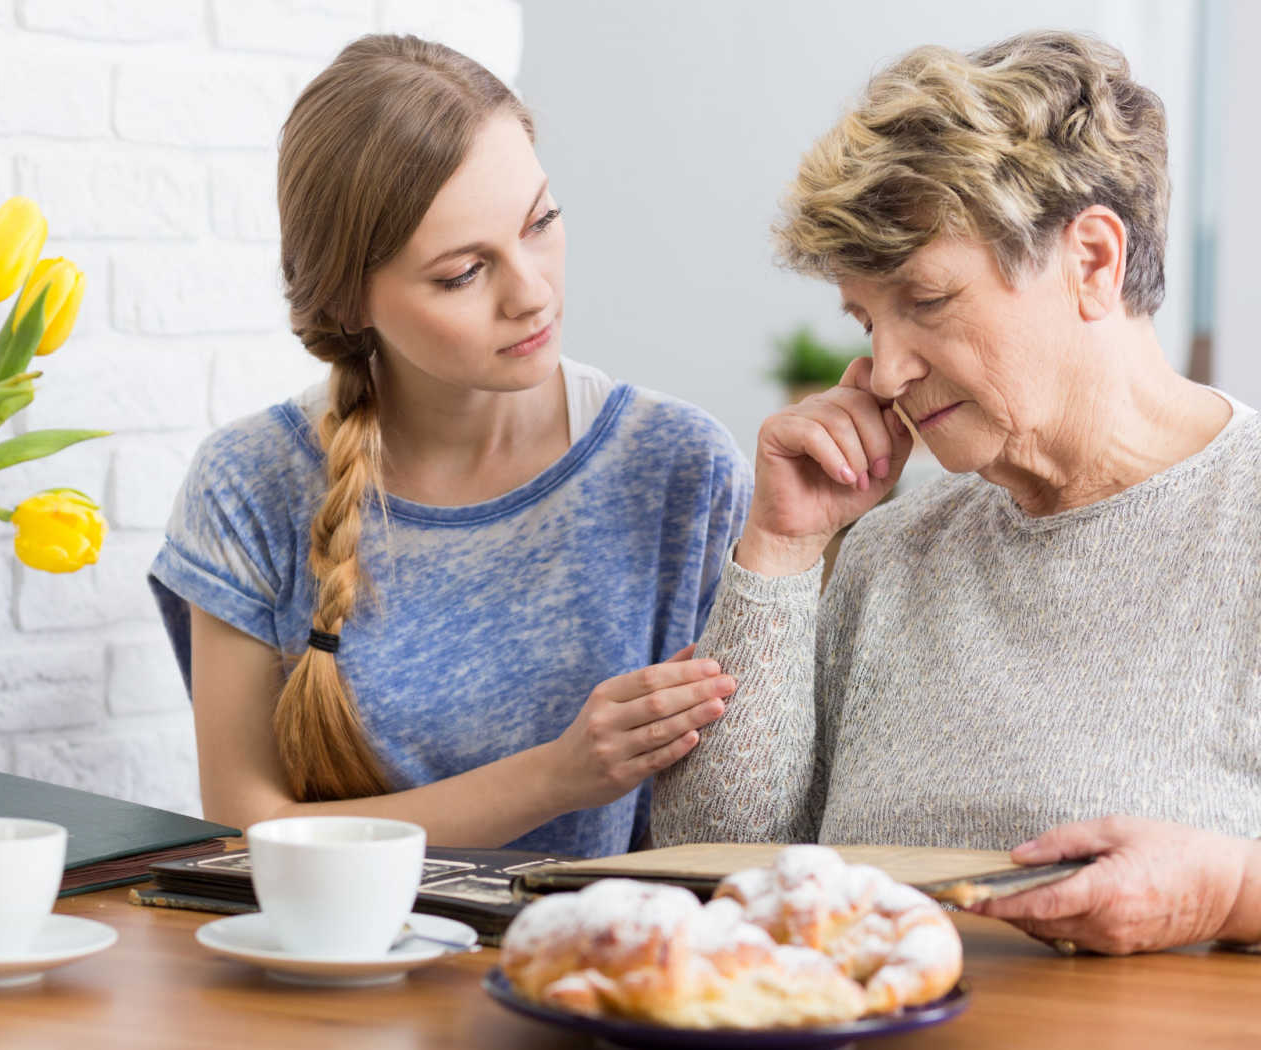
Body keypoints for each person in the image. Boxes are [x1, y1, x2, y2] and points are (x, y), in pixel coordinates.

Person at [651, 30, 1261, 955]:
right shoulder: (898, 546)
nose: (886, 370)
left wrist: (1232, 894)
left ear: (1092, 261)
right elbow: (716, 862)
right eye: (866, 319)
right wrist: (780, 551)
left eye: (926, 302)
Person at [149, 35, 752, 857]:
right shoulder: (249, 483)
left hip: (599, 977)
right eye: (464, 273)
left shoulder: (681, 469)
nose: (532, 293)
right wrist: (558, 776)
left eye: (540, 222)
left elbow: (743, 823)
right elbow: (247, 833)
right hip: (328, 977)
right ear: (349, 299)